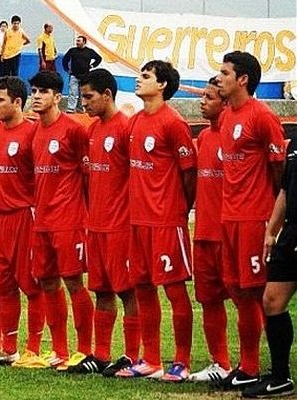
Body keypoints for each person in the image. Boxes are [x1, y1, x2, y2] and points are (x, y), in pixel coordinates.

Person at [115, 60, 196, 381]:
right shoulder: (134, 123)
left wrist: (179, 209)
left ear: (162, 85)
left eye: (145, 76)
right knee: (143, 287)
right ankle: (150, 359)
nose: (139, 80)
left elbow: (190, 173)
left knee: (175, 291)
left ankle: (182, 361)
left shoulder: (174, 123)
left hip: (166, 221)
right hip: (137, 221)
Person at [216, 51, 286, 391]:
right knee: (238, 291)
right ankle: (247, 365)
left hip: (254, 217)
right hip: (228, 217)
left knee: (257, 292)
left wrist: (270, 213)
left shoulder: (262, 116)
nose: (219, 78)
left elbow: (279, 170)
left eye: (225, 72)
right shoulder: (227, 116)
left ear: (243, 79)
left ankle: (262, 368)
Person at [0, 76, 46, 367]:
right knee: (4, 284)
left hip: (25, 215)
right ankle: (9, 347)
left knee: (31, 283)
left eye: (1, 100)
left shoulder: (33, 132)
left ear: (17, 102)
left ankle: (34, 349)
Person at [72, 68, 140, 376]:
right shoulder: (93, 130)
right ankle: (100, 355)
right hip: (95, 224)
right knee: (101, 289)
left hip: (120, 225)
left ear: (107, 95)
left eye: (89, 97)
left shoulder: (125, 129)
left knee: (128, 291)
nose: (84, 103)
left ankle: (131, 355)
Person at [29, 70, 94, 370]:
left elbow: (89, 176)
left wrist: (84, 213)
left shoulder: (74, 131)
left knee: (73, 283)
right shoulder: (35, 132)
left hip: (69, 220)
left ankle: (83, 350)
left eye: (43, 91)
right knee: (47, 283)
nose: (37, 96)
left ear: (58, 97)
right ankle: (59, 350)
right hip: (41, 220)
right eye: (34, 91)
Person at [243, 135, 296, 399]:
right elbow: (285, 190)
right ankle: (280, 377)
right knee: (272, 301)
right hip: (291, 234)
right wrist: (271, 231)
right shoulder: (295, 141)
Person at [188, 77, 232, 382]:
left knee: (248, 298)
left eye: (209, 97)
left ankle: (254, 364)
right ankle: (221, 362)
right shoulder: (203, 138)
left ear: (225, 102)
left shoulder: (236, 136)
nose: (203, 101)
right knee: (208, 299)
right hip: (203, 232)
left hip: (230, 231)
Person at [62, 35, 102, 113]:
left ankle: (80, 108)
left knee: (83, 93)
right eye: (77, 41)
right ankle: (71, 108)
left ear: (84, 42)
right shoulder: (72, 50)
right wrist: (67, 69)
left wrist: (92, 65)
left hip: (85, 76)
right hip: (74, 75)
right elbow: (65, 59)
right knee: (72, 92)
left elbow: (98, 58)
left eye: (79, 41)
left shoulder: (89, 51)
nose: (77, 43)